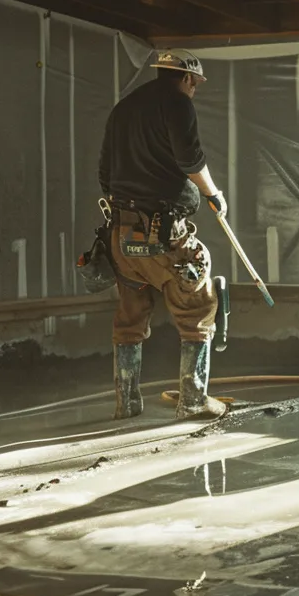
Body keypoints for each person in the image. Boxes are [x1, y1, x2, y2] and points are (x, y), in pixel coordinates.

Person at [97, 49, 227, 420]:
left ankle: (127, 403)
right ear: (186, 78)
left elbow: (105, 174)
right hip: (164, 233)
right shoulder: (178, 103)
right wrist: (212, 194)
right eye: (196, 84)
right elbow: (190, 159)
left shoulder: (123, 109)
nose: (195, 90)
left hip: (121, 237)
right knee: (198, 307)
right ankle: (194, 400)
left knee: (129, 317)